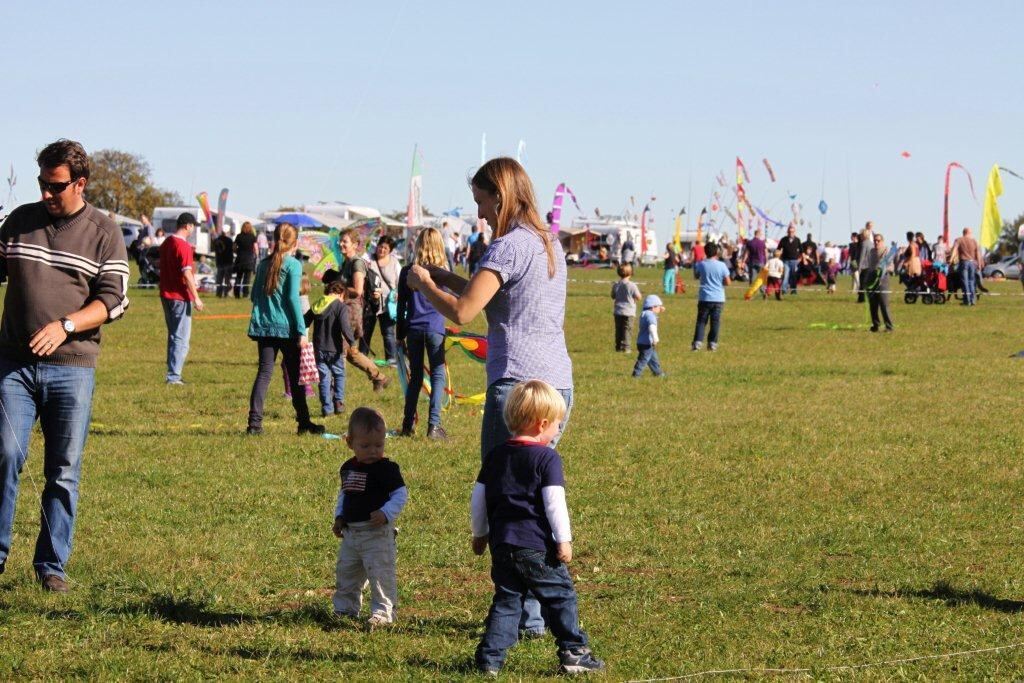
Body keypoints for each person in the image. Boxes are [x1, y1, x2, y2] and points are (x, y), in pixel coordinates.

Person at [407, 157, 572, 636]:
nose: (479, 213)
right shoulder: (547, 244)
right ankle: (538, 612)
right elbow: (493, 293)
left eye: (481, 201)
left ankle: (518, 614)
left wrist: (424, 284)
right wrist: (447, 273)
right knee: (536, 496)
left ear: (499, 196)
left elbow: (462, 313)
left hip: (515, 387)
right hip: (556, 385)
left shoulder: (507, 245)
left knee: (505, 499)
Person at [0, 139, 130, 591]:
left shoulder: (103, 231)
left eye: (55, 186)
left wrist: (67, 325)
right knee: (4, 453)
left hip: (71, 367)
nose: (46, 194)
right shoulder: (20, 222)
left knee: (63, 468)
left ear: (80, 183)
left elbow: (114, 300)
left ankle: (51, 567)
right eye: (41, 183)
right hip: (13, 365)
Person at [471, 380, 605, 676]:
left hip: (502, 545)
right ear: (542, 423)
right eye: (557, 424)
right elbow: (554, 502)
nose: (558, 429)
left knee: (507, 601)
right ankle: (574, 651)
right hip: (536, 547)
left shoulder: (495, 456)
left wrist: (479, 533)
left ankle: (489, 659)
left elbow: (478, 496)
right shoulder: (547, 458)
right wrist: (564, 540)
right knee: (561, 596)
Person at [245, 223, 324, 436]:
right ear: (295, 243)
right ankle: (304, 422)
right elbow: (291, 298)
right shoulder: (294, 265)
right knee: (295, 375)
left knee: (264, 374)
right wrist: (301, 330)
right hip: (287, 329)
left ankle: (254, 424)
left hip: (264, 328)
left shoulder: (263, 264)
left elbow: (253, 296)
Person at [332, 407, 407, 628]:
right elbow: (345, 494)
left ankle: (383, 613)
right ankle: (345, 609)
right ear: (350, 442)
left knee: (380, 575)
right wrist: (339, 516)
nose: (373, 451)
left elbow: (400, 495)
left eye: (379, 445)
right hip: (351, 534)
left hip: (376, 534)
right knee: (347, 573)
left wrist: (386, 513)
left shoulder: (387, 469)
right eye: (365, 446)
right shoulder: (348, 467)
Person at [396, 228, 450, 440]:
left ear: (417, 245)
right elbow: (451, 297)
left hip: (414, 329)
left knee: (415, 377)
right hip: (436, 328)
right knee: (437, 375)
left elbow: (401, 306)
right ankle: (433, 426)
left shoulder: (408, 271)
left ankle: (407, 424)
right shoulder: (443, 272)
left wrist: (400, 334)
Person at [338, 229, 391, 392]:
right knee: (351, 352)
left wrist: (338, 288)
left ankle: (336, 394)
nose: (341, 244)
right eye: (340, 241)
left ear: (355, 244)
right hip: (343, 309)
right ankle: (379, 377)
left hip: (352, 311)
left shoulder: (357, 263)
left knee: (340, 350)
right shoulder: (345, 262)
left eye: (344, 241)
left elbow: (358, 290)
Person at [158, 213, 205, 385]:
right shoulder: (184, 246)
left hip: (166, 294)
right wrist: (196, 297)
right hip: (180, 296)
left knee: (173, 336)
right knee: (181, 338)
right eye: (193, 226)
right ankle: (174, 376)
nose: (193, 230)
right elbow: (186, 272)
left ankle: (172, 373)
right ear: (187, 226)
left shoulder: (166, 243)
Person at [306, 276, 352, 418]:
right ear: (340, 293)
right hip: (335, 348)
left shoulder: (318, 303)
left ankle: (327, 408)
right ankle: (338, 401)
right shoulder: (340, 306)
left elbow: (305, 321)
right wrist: (352, 342)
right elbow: (345, 326)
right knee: (339, 374)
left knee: (324, 378)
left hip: (319, 348)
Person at [361, 235, 400, 365]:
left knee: (388, 332)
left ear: (390, 250)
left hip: (389, 303)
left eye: (385, 248)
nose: (382, 250)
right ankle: (362, 357)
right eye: (380, 246)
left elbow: (399, 281)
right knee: (366, 330)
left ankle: (391, 359)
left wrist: (398, 294)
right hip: (370, 302)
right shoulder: (368, 259)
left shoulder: (394, 262)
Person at [691, 242, 731, 352]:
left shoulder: (701, 264)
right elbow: (728, 282)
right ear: (717, 252)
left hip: (704, 297)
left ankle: (697, 343)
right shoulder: (722, 265)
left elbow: (696, 276)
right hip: (718, 298)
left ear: (705, 252)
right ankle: (712, 344)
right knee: (715, 321)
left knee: (701, 321)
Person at [862, 231, 894, 332]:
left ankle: (889, 327)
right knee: (873, 305)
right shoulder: (871, 251)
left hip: (883, 280)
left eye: (878, 241)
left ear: (882, 241)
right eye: (875, 240)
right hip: (871, 280)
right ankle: (875, 325)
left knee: (884, 304)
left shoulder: (887, 251)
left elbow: (891, 267)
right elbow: (869, 266)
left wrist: (883, 270)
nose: (876, 242)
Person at [632, 294, 666, 377]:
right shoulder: (650, 316)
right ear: (653, 307)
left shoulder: (644, 313)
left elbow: (656, 311)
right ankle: (636, 374)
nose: (660, 308)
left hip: (641, 342)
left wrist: (660, 308)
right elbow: (652, 327)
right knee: (643, 359)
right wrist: (655, 338)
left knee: (653, 359)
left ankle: (658, 373)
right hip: (647, 343)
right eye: (658, 307)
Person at [611, 263, 642, 352]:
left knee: (618, 330)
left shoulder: (616, 285)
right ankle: (626, 347)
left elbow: (613, 296)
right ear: (630, 273)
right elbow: (639, 297)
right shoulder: (632, 285)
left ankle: (618, 347)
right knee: (627, 329)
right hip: (629, 312)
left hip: (618, 311)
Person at [951, 227, 984, 305]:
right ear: (969, 233)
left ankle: (967, 301)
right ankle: (973, 300)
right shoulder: (974, 241)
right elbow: (978, 254)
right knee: (971, 282)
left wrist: (951, 259)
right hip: (972, 263)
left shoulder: (959, 240)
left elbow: (954, 249)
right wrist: (979, 264)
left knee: (964, 281)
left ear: (963, 233)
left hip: (964, 262)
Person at [233, 221, 258, 298]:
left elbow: (234, 247)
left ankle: (236, 294)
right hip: (249, 259)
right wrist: (256, 256)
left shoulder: (238, 236)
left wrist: (237, 252)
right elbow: (256, 248)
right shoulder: (252, 237)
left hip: (240, 259)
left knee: (238, 277)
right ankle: (245, 294)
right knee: (247, 279)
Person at [778, 223, 802, 295]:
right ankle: (784, 290)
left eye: (792, 231)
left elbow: (801, 251)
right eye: (789, 231)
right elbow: (778, 249)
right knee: (785, 275)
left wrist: (800, 259)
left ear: (794, 232)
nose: (791, 233)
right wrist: (778, 258)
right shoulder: (783, 239)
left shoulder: (798, 240)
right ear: (787, 232)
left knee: (793, 276)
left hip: (794, 261)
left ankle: (793, 290)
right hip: (785, 261)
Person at [857, 221, 876, 303]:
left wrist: (859, 267)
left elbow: (862, 256)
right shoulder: (871, 244)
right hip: (871, 265)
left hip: (865, 266)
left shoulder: (864, 244)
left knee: (862, 283)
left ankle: (861, 299)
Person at [212, 229, 234, 298]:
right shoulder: (230, 240)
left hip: (220, 262)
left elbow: (215, 250)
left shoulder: (217, 240)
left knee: (219, 279)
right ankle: (226, 293)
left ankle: (218, 294)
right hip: (228, 262)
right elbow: (232, 250)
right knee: (227, 279)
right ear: (227, 232)